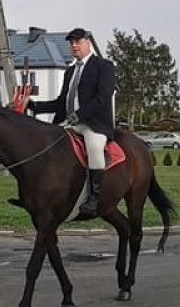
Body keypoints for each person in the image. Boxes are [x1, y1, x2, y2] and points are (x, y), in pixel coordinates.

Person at [27, 28, 116, 217]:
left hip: (94, 124)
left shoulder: (104, 66)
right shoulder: (70, 72)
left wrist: (80, 114)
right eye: (71, 43)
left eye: (78, 41)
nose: (74, 45)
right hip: (70, 122)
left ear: (87, 42)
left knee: (93, 148)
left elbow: (103, 97)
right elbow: (61, 102)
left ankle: (93, 198)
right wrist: (34, 106)